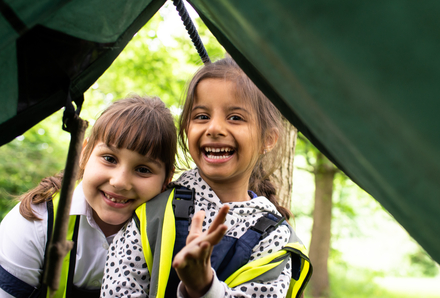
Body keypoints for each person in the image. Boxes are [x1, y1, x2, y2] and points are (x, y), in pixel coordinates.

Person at [101, 58, 312, 298]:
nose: (214, 128)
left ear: (268, 140)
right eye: (201, 116)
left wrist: (204, 287)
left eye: (235, 117)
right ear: (186, 129)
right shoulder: (154, 209)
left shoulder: (275, 238)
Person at [0, 95, 177, 298]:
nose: (119, 182)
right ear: (83, 154)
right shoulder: (35, 222)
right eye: (109, 159)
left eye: (143, 169)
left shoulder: (175, 233)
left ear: (167, 179)